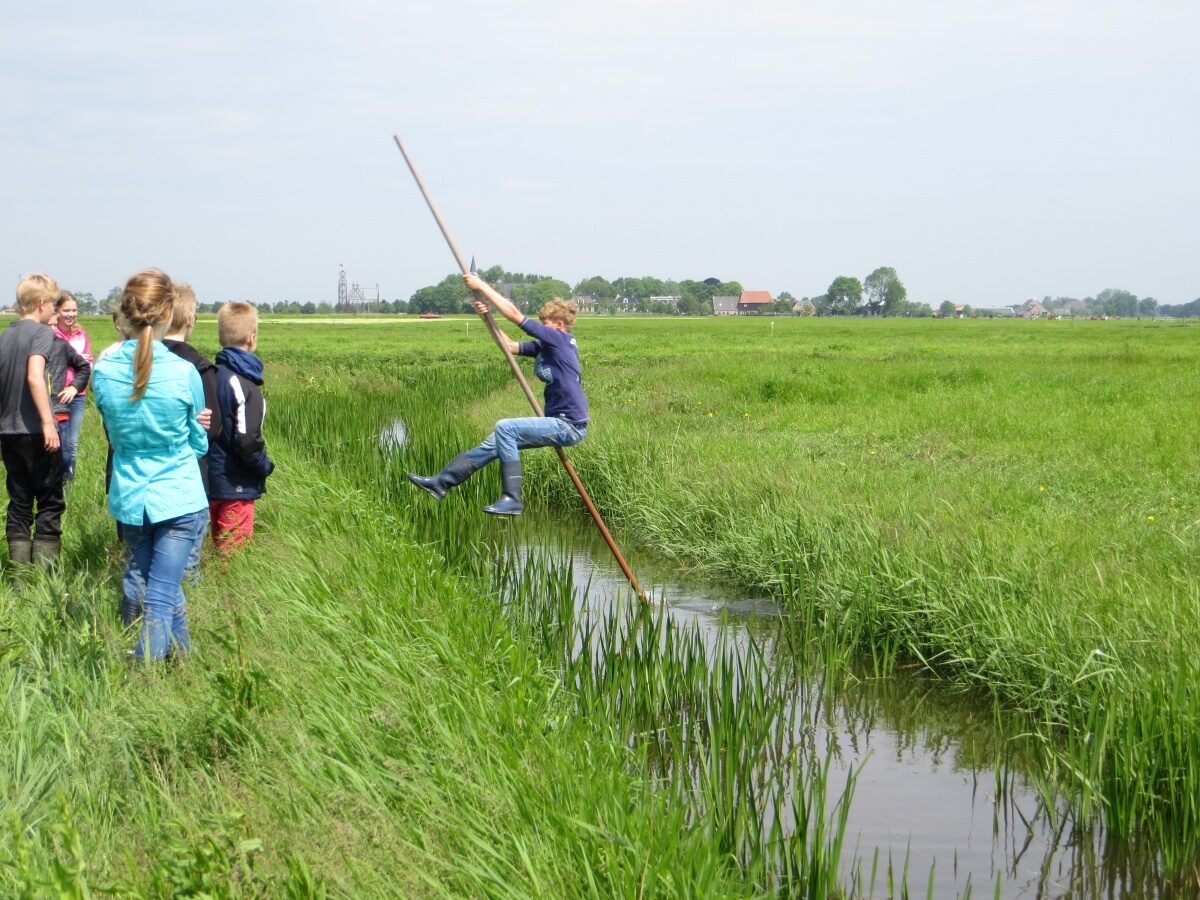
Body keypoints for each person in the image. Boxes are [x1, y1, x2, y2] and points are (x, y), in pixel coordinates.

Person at [93, 268, 209, 659]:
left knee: (166, 589)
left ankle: (185, 664)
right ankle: (146, 672)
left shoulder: (104, 371)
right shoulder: (183, 372)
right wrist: (192, 438)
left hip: (131, 499)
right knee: (162, 594)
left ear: (124, 313)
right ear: (167, 315)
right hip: (178, 496)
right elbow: (198, 441)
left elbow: (113, 431)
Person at [408, 273, 588, 516]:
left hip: (569, 424)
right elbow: (510, 346)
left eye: (545, 322)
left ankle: (512, 499)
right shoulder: (548, 346)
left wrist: (481, 286)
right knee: (494, 443)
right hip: (558, 421)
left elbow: (515, 315)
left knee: (506, 428)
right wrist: (487, 317)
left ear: (558, 325)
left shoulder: (560, 339)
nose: (541, 326)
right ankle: (442, 483)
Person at [0, 274, 65, 567]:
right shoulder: (41, 333)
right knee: (50, 501)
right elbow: (34, 375)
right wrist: (48, 423)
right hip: (37, 431)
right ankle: (45, 576)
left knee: (20, 502)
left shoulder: (5, 336)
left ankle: (19, 578)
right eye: (53, 305)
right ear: (41, 304)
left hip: (8, 432)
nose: (54, 311)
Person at [208, 301, 274, 551]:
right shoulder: (243, 384)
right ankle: (227, 590)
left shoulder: (212, 375)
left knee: (219, 548)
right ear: (252, 338)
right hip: (236, 486)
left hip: (211, 482)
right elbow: (246, 440)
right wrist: (264, 467)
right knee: (233, 559)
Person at [52, 291, 93, 480]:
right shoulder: (51, 334)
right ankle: (53, 482)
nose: (71, 314)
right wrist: (73, 360)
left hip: (77, 393)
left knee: (73, 443)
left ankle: (68, 485)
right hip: (56, 393)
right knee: (58, 440)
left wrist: (75, 387)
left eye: (74, 310)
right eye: (66, 310)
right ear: (57, 311)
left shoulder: (81, 334)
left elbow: (88, 363)